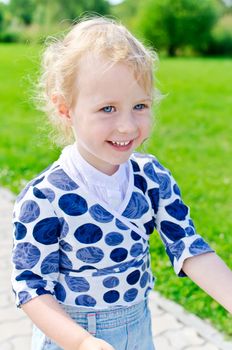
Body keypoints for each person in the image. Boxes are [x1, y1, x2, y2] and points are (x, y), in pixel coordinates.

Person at [11, 16, 232, 350]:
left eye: (140, 106)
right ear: (65, 109)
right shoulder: (45, 196)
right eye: (108, 108)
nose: (128, 126)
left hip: (137, 326)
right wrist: (83, 342)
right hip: (71, 334)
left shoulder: (150, 177)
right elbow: (31, 289)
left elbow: (187, 247)